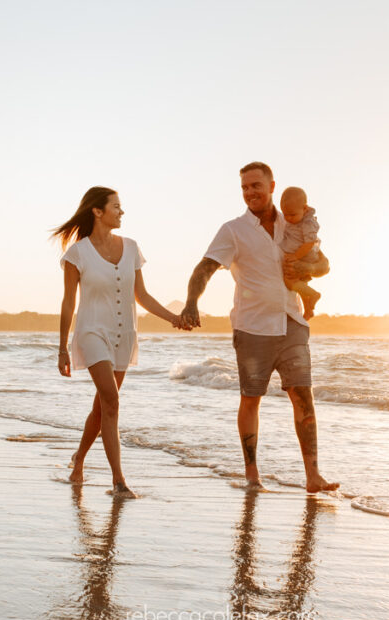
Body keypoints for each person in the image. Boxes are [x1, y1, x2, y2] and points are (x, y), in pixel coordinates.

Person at [180, 162, 339, 493]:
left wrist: (309, 264)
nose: (250, 192)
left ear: (271, 186)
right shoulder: (233, 230)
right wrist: (192, 302)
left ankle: (313, 476)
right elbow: (205, 267)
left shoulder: (293, 222)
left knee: (303, 397)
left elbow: (323, 263)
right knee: (251, 398)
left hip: (292, 322)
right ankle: (252, 473)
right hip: (252, 328)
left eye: (256, 185)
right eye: (244, 187)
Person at [53, 186, 185, 498]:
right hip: (91, 332)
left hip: (124, 334)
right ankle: (119, 482)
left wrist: (173, 318)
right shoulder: (77, 254)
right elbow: (68, 303)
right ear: (97, 211)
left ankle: (78, 461)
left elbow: (142, 296)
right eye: (116, 206)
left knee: (102, 408)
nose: (122, 212)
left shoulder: (132, 247)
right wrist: (61, 348)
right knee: (111, 401)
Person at [278, 186, 324, 319]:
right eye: (285, 214)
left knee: (289, 281)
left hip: (305, 255)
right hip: (302, 254)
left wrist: (295, 256)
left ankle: (314, 294)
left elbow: (310, 243)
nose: (288, 218)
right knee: (301, 284)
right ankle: (308, 309)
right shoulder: (296, 219)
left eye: (292, 215)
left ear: (304, 209)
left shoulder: (308, 222)